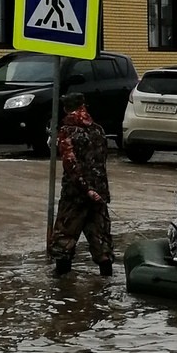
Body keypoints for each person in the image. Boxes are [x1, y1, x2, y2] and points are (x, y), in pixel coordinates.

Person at [50, 92, 114, 276]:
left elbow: (70, 164)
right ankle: (105, 282)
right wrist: (96, 190)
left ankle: (60, 284)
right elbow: (101, 160)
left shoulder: (67, 131)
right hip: (99, 192)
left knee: (64, 236)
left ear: (65, 108)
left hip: (76, 194)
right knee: (100, 237)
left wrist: (85, 189)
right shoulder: (98, 130)